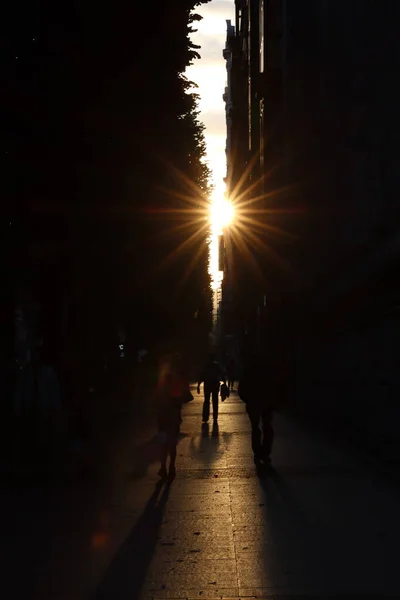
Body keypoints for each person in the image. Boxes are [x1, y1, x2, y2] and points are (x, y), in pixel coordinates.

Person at [238, 351, 274, 467]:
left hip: (254, 403)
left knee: (255, 427)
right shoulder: (269, 372)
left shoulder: (249, 372)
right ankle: (265, 451)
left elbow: (241, 389)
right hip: (266, 402)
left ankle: (258, 452)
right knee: (267, 426)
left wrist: (248, 400)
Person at [156, 353, 188, 480]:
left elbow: (157, 400)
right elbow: (180, 398)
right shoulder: (175, 381)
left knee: (164, 444)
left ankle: (163, 467)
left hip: (163, 418)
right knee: (172, 444)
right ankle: (171, 467)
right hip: (173, 417)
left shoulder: (162, 382)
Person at [197, 353, 226, 423]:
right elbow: (222, 374)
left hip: (207, 384)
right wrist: (224, 383)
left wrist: (198, 385)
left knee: (206, 400)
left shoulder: (206, 366)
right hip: (215, 384)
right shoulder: (217, 366)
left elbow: (202, 376)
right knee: (215, 400)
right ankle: (215, 416)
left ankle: (205, 417)